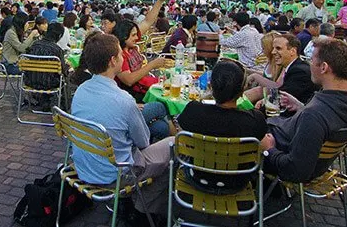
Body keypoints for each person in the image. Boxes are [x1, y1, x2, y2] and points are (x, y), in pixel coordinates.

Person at [70, 33, 173, 222]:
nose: (122, 57)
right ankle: (144, 210)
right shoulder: (124, 100)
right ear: (112, 61)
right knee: (174, 144)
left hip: (84, 166)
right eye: (120, 54)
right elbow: (143, 142)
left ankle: (139, 204)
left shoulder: (81, 90)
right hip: (116, 174)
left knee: (159, 125)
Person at [260, 39, 347, 182]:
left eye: (311, 60)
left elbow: (296, 170)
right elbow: (325, 122)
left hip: (278, 152)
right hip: (313, 157)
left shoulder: (314, 116)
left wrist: (269, 150)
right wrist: (300, 106)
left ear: (323, 67)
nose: (309, 65)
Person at [177, 60, 268, 191]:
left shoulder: (193, 111)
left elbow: (180, 135)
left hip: (197, 178)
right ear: (242, 90)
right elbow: (264, 147)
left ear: (211, 86)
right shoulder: (254, 120)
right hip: (237, 182)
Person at [247, 34, 318, 106]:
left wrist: (263, 103)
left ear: (292, 51)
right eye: (273, 48)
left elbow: (282, 99)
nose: (273, 52)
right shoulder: (294, 67)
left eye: (278, 48)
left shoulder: (299, 71)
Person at [113, 19, 172, 101]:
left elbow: (147, 21)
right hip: (134, 95)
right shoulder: (119, 55)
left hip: (145, 84)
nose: (137, 38)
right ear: (123, 36)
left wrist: (158, 5)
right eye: (133, 35)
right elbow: (129, 80)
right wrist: (152, 65)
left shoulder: (131, 48)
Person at [2, 11, 41, 75]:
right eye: (27, 22)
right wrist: (31, 35)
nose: (28, 24)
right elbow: (21, 48)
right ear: (21, 23)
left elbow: (27, 47)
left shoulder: (18, 31)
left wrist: (33, 38)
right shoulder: (11, 33)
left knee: (37, 67)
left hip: (17, 62)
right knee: (34, 71)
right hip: (9, 65)